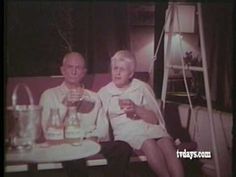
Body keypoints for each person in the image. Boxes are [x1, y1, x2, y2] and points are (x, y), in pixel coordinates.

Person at [39, 51, 132, 177]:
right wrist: (67, 105)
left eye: (78, 68)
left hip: (90, 141)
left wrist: (93, 138)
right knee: (74, 152)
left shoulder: (94, 97)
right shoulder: (49, 95)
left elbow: (103, 127)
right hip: (64, 144)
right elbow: (48, 131)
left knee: (122, 147)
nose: (74, 71)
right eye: (70, 67)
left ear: (84, 72)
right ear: (62, 70)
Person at [98, 50, 184, 177]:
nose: (117, 72)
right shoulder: (104, 92)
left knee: (166, 143)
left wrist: (137, 109)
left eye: (122, 69)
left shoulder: (142, 87)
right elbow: (98, 120)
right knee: (148, 142)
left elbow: (155, 119)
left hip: (149, 127)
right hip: (127, 132)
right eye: (115, 68)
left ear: (131, 73)